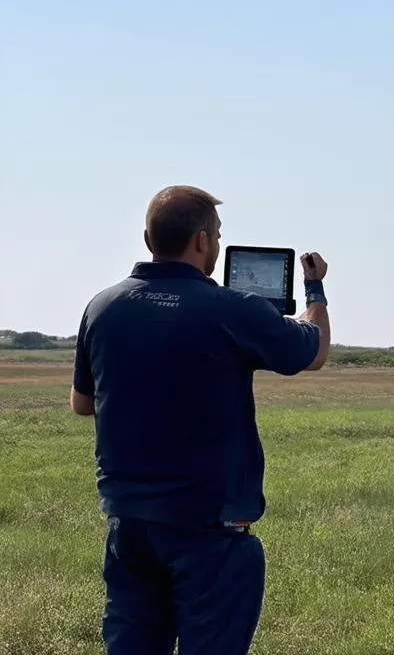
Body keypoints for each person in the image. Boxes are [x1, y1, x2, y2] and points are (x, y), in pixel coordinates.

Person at [70, 185, 332, 654]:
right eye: (215, 234)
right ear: (202, 242)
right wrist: (315, 288)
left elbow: (82, 403)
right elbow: (312, 350)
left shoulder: (102, 306)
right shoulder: (232, 308)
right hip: (210, 529)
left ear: (149, 238)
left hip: (128, 525)